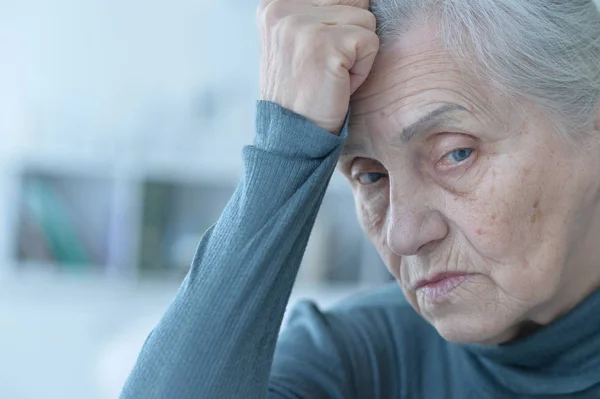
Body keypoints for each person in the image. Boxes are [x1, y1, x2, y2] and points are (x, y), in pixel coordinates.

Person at [120, 0, 600, 397]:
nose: (404, 233)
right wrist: (286, 145)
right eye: (370, 176)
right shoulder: (355, 363)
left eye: (455, 153)